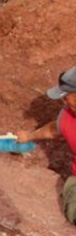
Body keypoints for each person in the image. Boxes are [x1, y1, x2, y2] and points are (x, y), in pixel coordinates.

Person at [17, 66, 76, 224]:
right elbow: (54, 129)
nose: (63, 101)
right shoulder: (66, 116)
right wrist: (28, 136)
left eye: (66, 96)